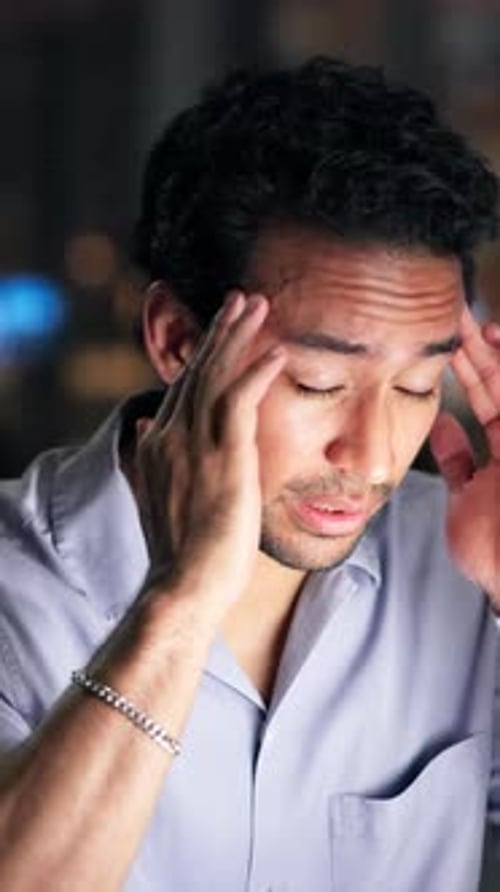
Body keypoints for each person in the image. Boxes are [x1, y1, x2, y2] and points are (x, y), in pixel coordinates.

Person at [0, 57, 499, 892]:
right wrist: (181, 600)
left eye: (418, 386)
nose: (374, 456)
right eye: (318, 384)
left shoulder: (461, 565)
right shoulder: (18, 589)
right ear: (176, 340)